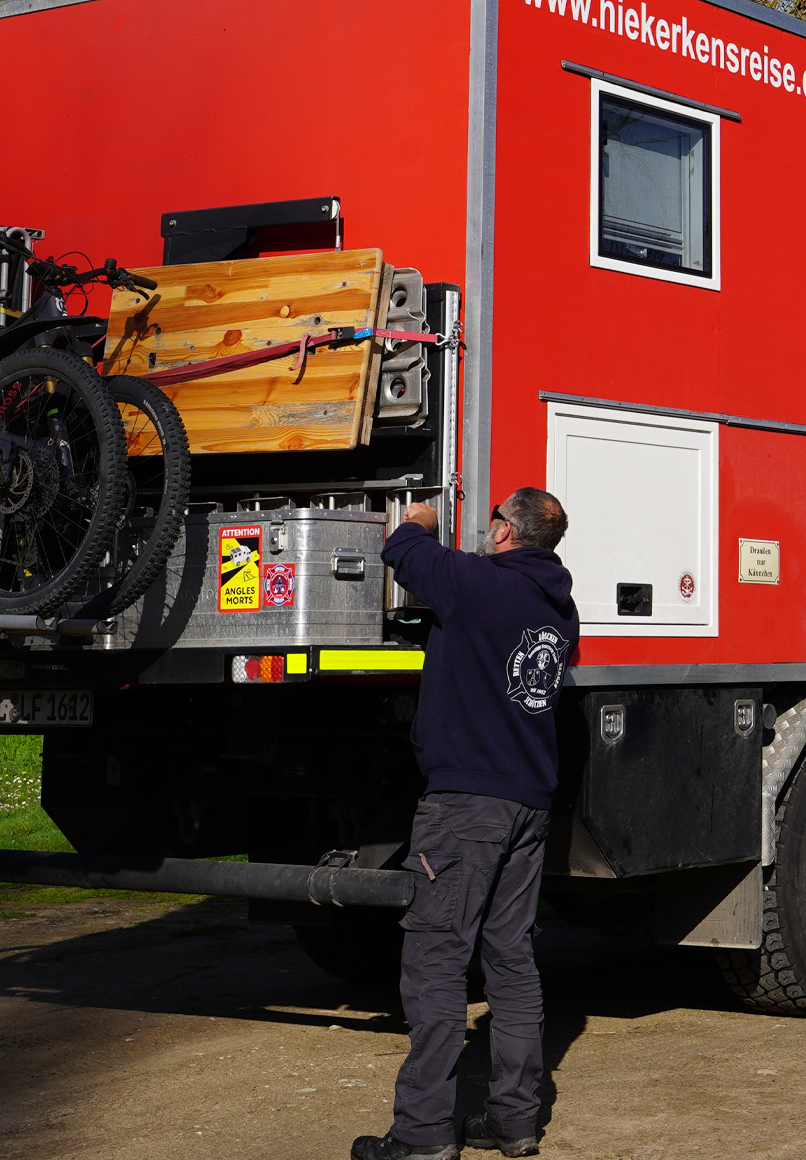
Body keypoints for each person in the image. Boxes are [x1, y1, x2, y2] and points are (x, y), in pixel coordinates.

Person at [352, 488, 578, 1160]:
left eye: (492, 521)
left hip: (464, 809)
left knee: (437, 962)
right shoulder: (559, 612)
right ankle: (514, 1122)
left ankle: (421, 1136)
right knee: (511, 961)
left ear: (508, 532)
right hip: (528, 804)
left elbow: (404, 549)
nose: (485, 530)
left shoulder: (476, 585)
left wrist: (420, 518)